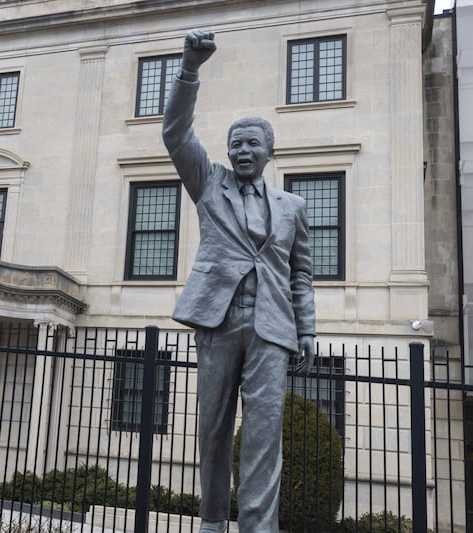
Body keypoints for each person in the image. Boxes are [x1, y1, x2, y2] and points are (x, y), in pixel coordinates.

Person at [162, 30, 316, 533]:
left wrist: (307, 330)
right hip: (219, 320)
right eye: (235, 143)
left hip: (272, 328)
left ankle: (256, 528)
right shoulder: (209, 183)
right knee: (212, 427)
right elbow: (176, 134)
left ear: (269, 151)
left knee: (264, 435)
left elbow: (301, 275)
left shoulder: (292, 207)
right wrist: (190, 69)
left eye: (252, 143)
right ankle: (211, 520)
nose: (242, 150)